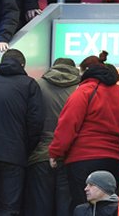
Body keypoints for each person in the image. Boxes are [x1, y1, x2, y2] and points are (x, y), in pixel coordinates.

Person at [48, 52, 119, 211]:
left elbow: (68, 124)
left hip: (84, 159)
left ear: (86, 73)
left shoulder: (84, 91)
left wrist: (55, 152)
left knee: (85, 207)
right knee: (111, 207)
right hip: (115, 159)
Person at [0, 49, 44, 215]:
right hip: (14, 154)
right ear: (22, 65)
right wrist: (25, 149)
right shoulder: (29, 84)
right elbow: (35, 123)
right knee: (10, 207)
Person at [24, 57, 79, 216]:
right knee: (64, 205)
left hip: (40, 154)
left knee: (40, 206)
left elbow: (31, 120)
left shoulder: (38, 85)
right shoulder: (80, 88)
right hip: (68, 155)